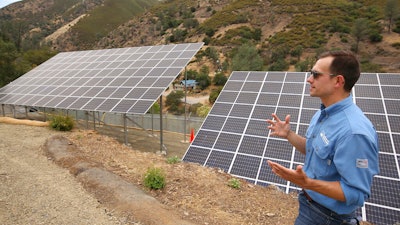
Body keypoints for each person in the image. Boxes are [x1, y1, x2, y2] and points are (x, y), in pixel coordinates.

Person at [266, 50, 379, 225]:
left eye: (316, 75)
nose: (309, 79)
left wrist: (309, 183)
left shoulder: (354, 133)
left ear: (338, 81)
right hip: (309, 206)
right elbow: (315, 150)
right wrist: (289, 134)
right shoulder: (324, 114)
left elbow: (356, 194)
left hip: (329, 218)